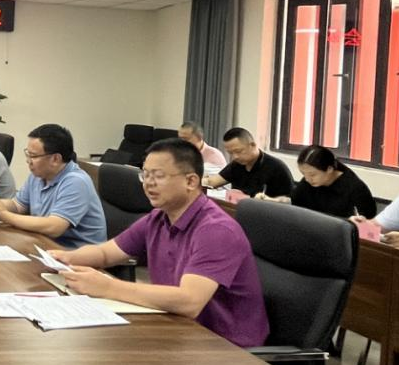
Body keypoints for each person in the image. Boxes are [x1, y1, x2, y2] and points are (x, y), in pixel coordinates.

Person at [53, 138, 269, 348]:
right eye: (145, 175)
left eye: (158, 176)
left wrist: (107, 287)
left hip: (225, 347)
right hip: (176, 327)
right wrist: (66, 258)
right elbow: (106, 254)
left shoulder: (216, 230)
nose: (148, 183)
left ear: (191, 181)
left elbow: (189, 301)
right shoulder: (159, 217)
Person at [0, 123, 105, 248]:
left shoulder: (76, 181)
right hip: (45, 245)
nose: (28, 161)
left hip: (77, 254)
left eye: (33, 156)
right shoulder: (38, 175)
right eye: (27, 154)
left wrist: (4, 215)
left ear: (55, 159)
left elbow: (54, 227)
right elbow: (18, 206)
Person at [261, 145, 376, 219]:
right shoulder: (309, 181)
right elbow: (293, 200)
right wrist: (271, 201)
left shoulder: (355, 189)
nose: (307, 179)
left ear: (329, 169)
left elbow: (368, 225)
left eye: (312, 175)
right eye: (303, 174)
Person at [202, 127, 293, 198]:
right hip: (239, 209)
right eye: (230, 153)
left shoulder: (277, 168)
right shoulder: (237, 164)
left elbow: (289, 201)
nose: (235, 157)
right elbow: (213, 181)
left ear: (253, 145)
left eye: (238, 151)